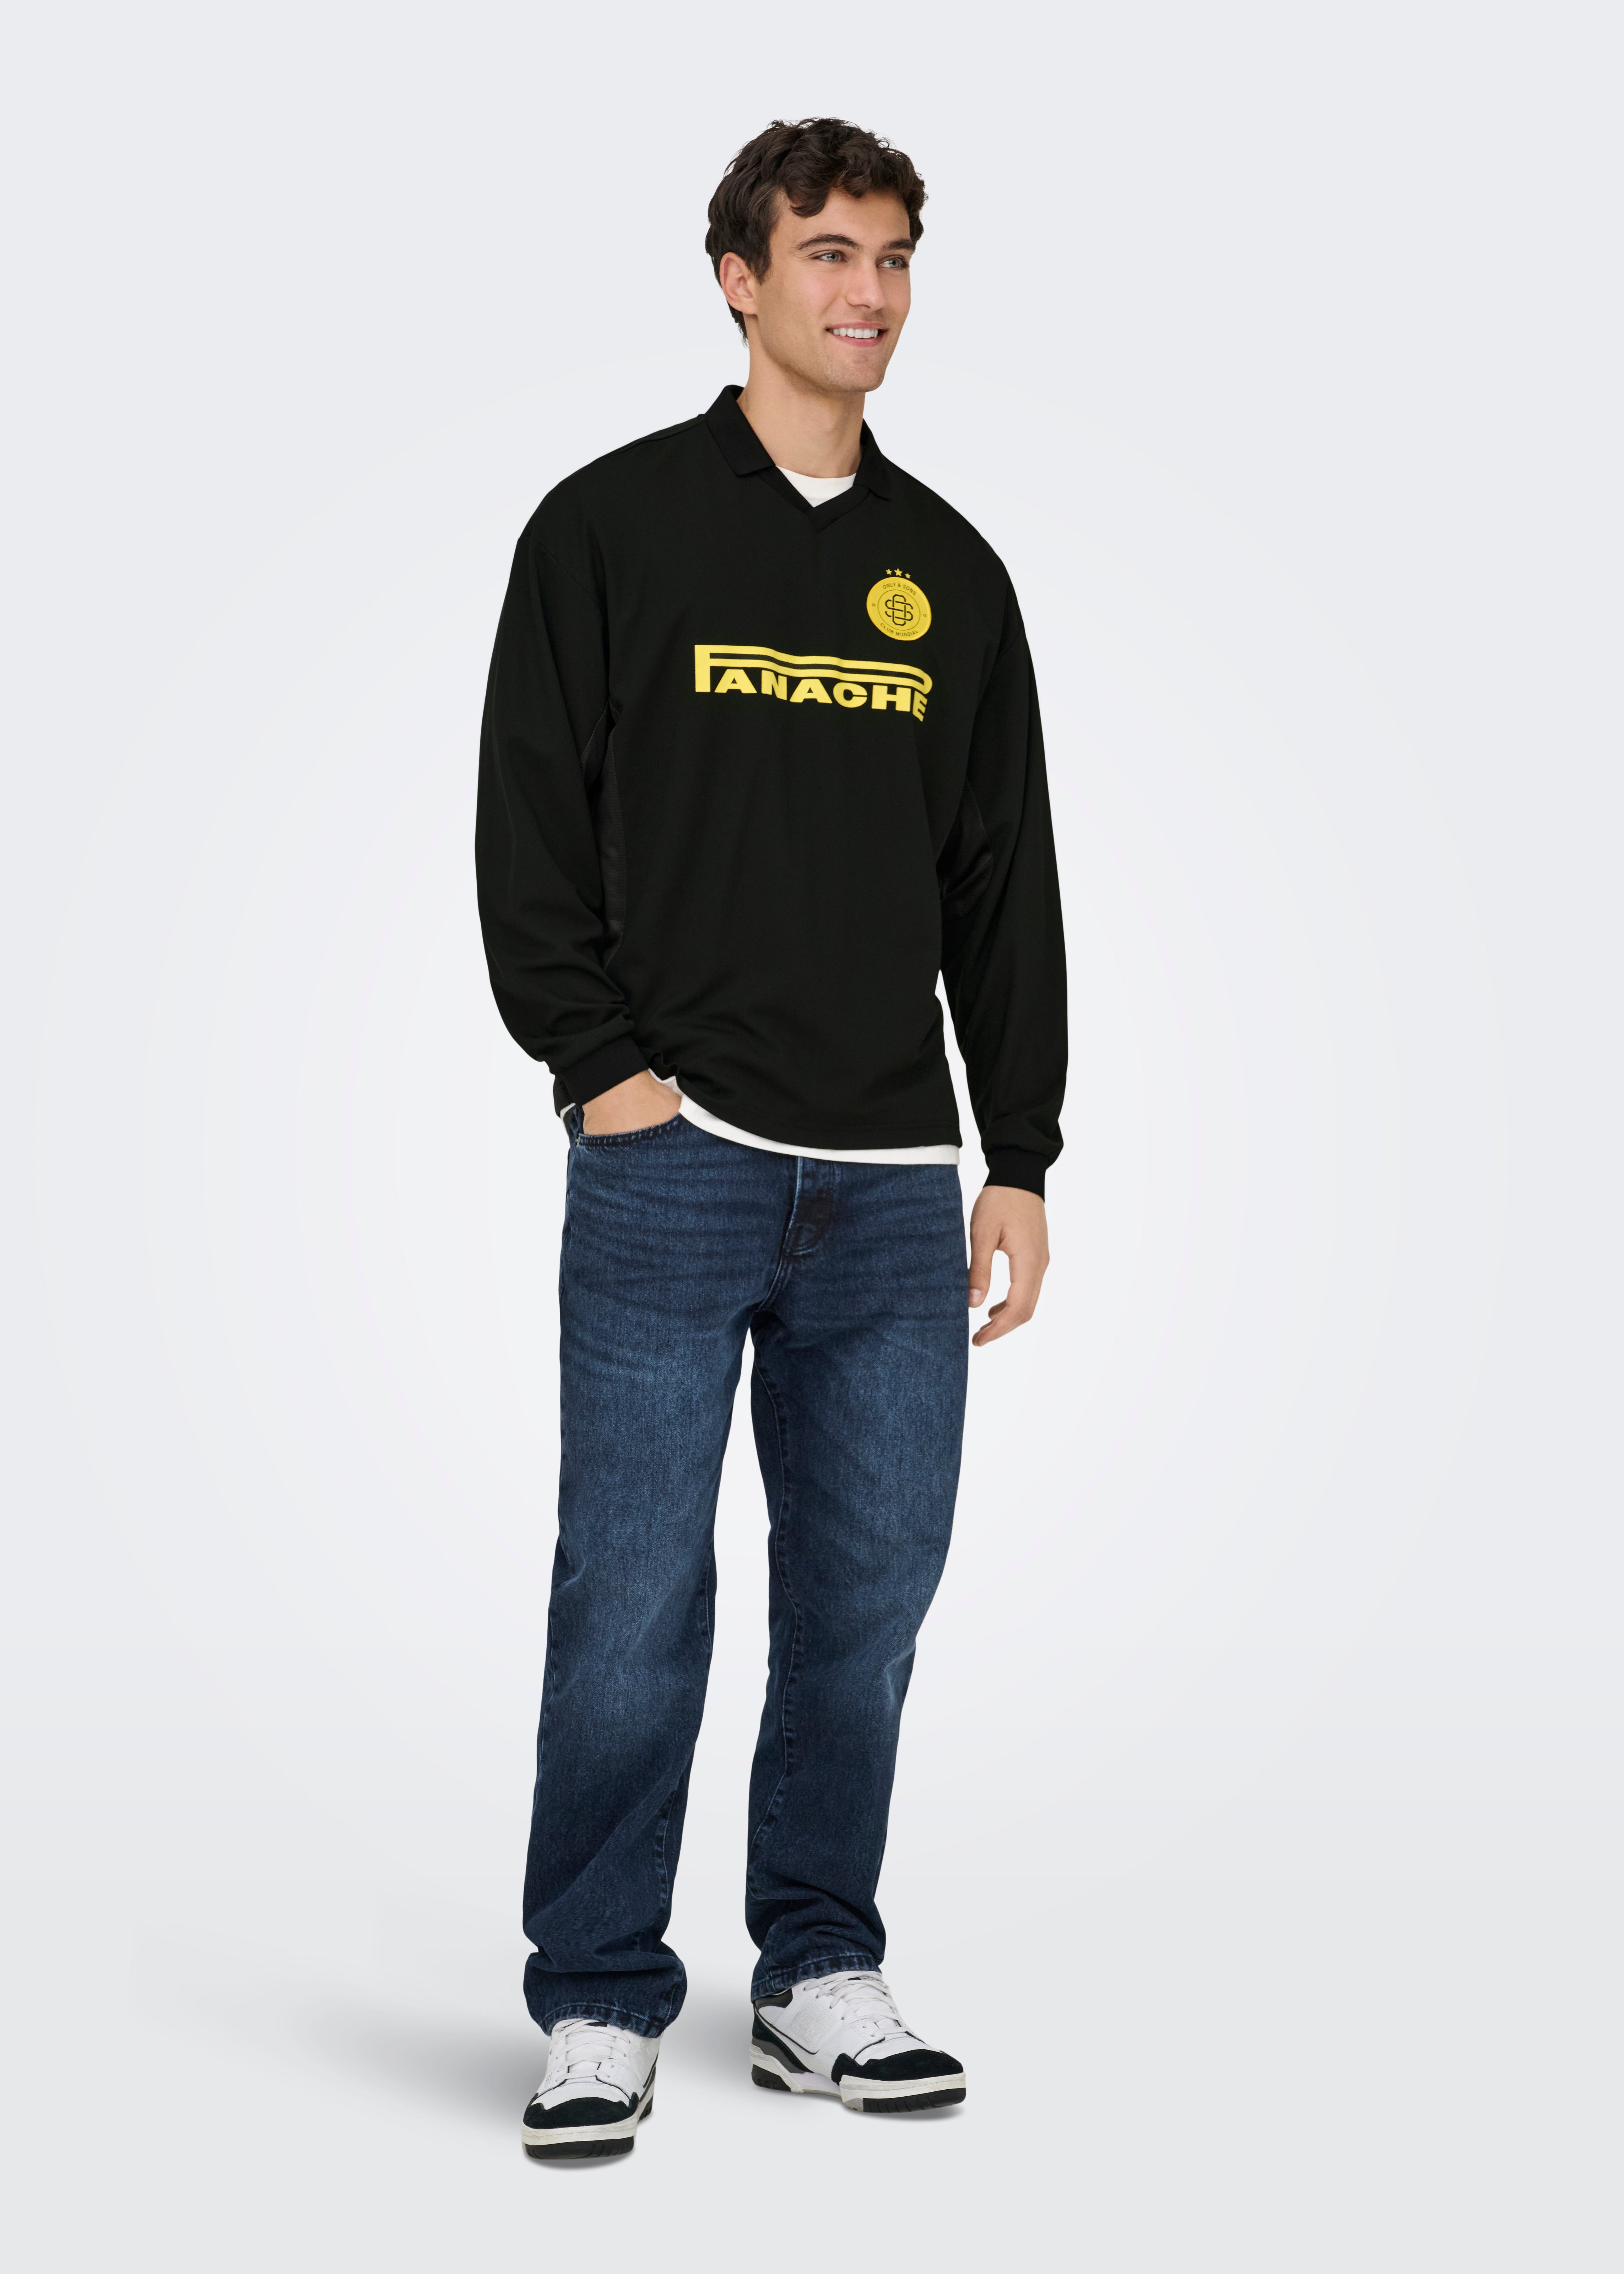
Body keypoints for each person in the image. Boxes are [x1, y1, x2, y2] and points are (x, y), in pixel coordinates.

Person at [476, 117, 1067, 2160]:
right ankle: (597, 1995)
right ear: (739, 277)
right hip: (677, 1156)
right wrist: (596, 1065)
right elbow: (529, 817)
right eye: (828, 254)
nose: (868, 294)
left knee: (865, 1601)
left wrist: (1019, 1151)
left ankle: (817, 1969)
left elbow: (1002, 879)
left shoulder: (951, 573)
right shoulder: (611, 529)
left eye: (893, 259)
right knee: (632, 1598)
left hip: (893, 1183)